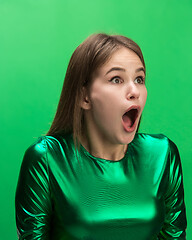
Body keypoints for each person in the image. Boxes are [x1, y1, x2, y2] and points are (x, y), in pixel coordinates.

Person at [15, 33, 187, 240]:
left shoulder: (162, 154)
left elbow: (175, 235)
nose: (135, 91)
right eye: (116, 79)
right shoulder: (46, 158)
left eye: (139, 79)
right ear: (84, 96)